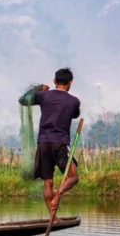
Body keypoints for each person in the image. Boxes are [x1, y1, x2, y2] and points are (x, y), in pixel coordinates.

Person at [19, 68, 81, 222]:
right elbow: (75, 114)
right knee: (73, 177)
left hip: (43, 143)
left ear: (54, 81)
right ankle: (57, 194)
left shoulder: (43, 96)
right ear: (70, 82)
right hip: (59, 143)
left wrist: (38, 89)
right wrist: (58, 193)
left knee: (48, 181)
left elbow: (23, 100)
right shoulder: (74, 101)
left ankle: (53, 218)